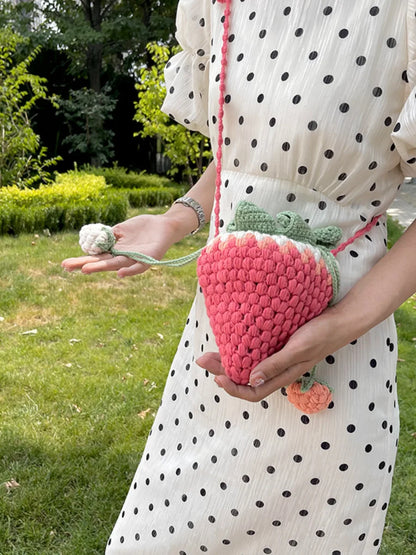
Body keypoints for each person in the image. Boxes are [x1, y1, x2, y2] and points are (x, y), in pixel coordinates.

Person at [62, 1, 416, 553]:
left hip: (333, 366)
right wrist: (175, 220)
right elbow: (249, 157)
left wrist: (341, 324)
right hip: (216, 342)